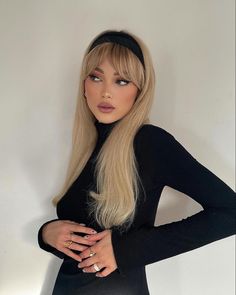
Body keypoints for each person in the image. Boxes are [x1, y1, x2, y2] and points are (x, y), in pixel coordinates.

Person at [38, 30, 236, 295]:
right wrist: (47, 234)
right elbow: (82, 230)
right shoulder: (89, 146)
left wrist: (125, 250)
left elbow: (230, 213)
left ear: (139, 90)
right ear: (84, 86)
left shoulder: (150, 143)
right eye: (96, 77)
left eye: (121, 81)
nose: (105, 92)